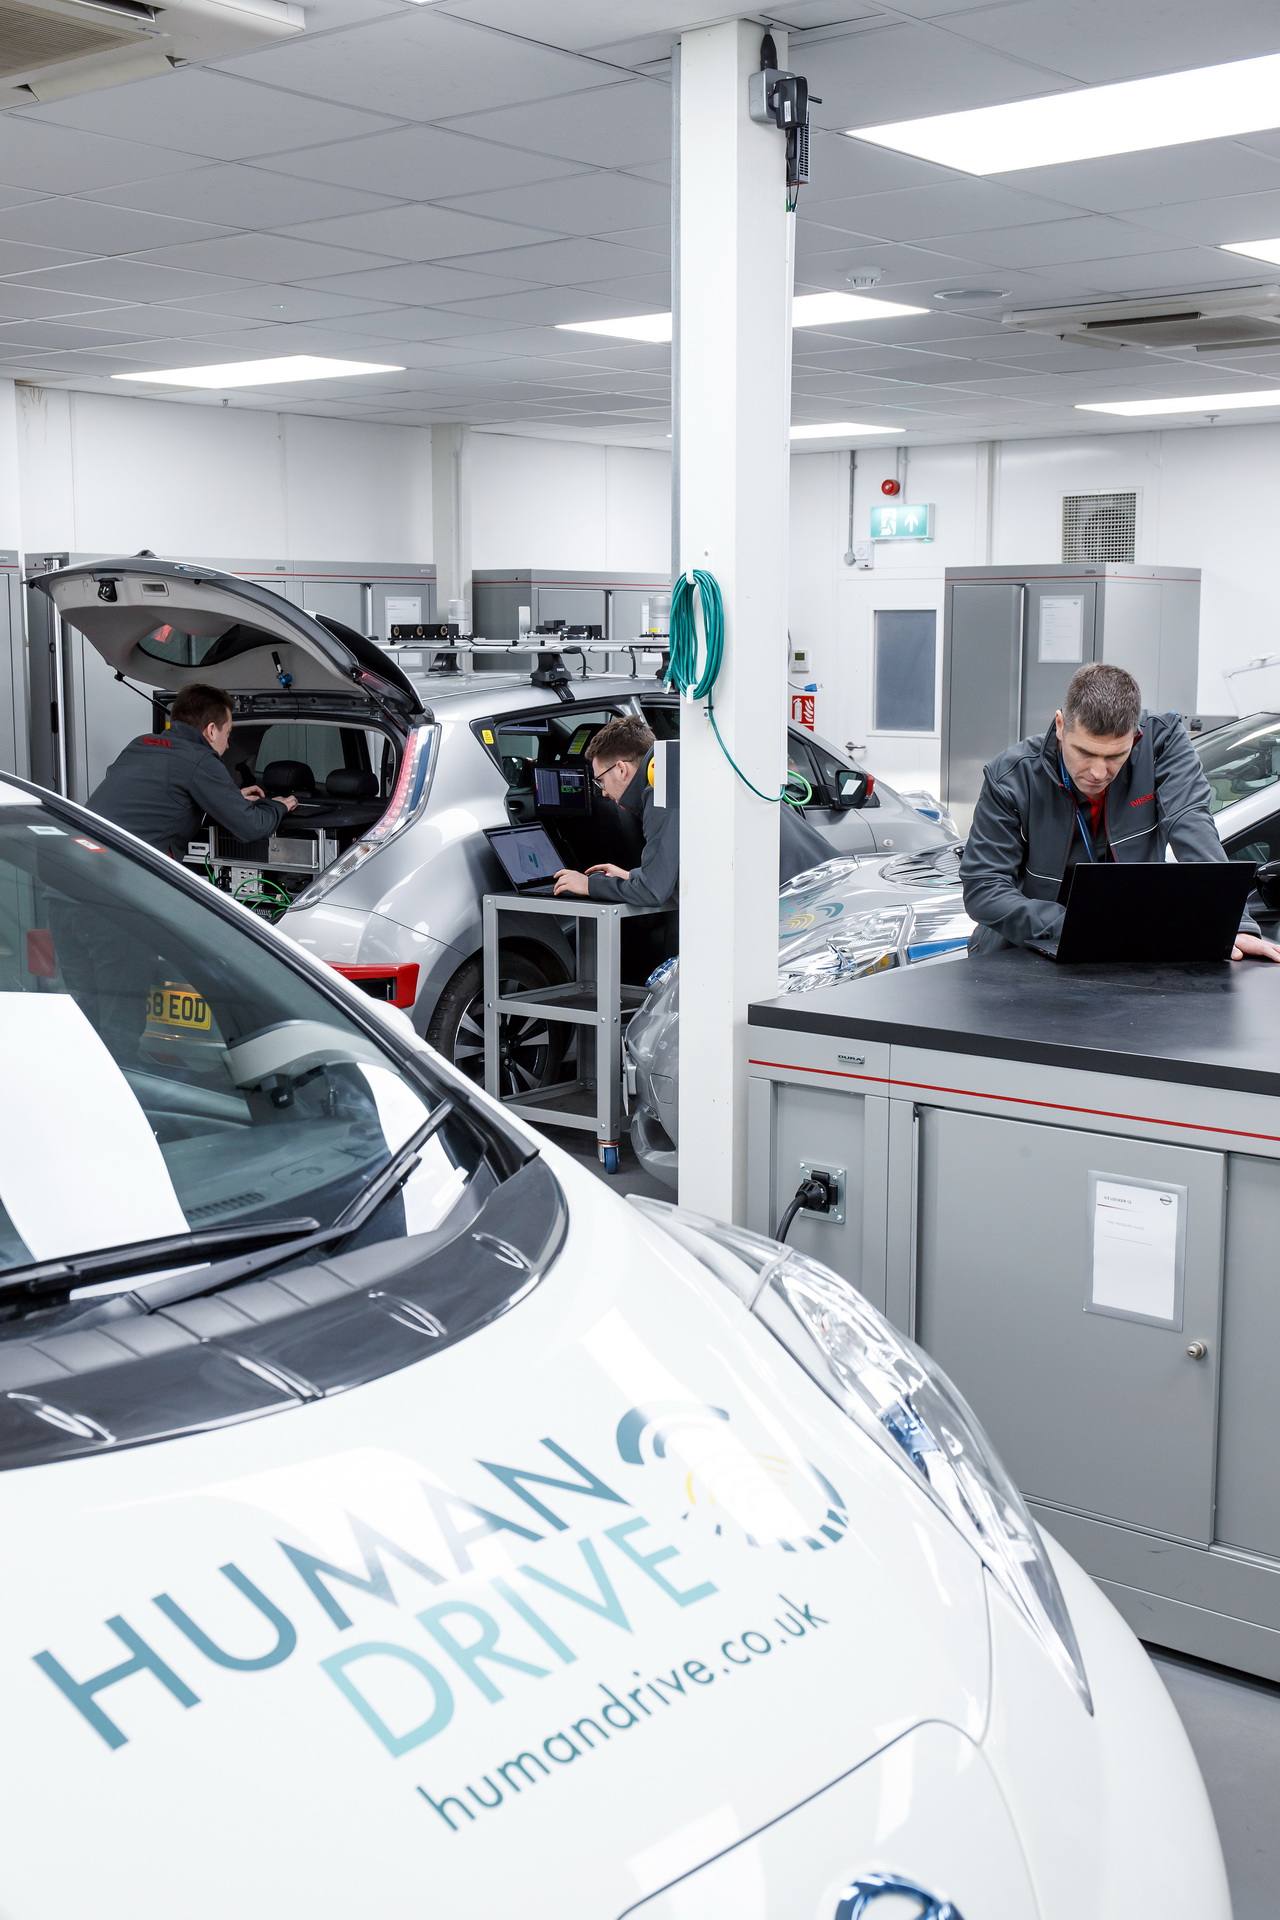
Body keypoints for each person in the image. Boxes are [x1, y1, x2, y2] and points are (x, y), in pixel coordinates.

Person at [961, 660, 1280, 961]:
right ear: (1060, 725)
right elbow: (984, 888)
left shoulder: (1161, 742)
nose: (1098, 772)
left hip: (1128, 946)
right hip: (1020, 949)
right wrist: (1074, 926)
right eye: (1084, 752)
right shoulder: (1011, 776)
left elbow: (1191, 824)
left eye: (1115, 756)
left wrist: (1233, 923)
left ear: (1135, 738)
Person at [552, 716, 835, 905]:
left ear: (622, 769)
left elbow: (653, 891)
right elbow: (684, 868)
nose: (601, 791)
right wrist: (632, 876)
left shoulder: (663, 788)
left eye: (600, 779)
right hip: (819, 881)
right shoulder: (683, 766)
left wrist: (588, 885)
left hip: (804, 895)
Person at [88, 681, 297, 860]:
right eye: (229, 733)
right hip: (131, 866)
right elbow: (252, 827)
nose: (228, 745)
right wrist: (277, 806)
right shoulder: (200, 758)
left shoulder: (141, 744)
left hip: (84, 848)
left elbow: (159, 798)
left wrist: (230, 797)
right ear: (212, 730)